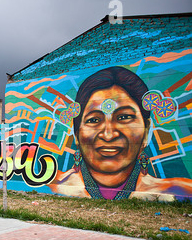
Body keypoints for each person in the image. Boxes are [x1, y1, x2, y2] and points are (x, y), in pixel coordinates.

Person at [48, 66, 192, 201]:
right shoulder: (54, 187)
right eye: (94, 120)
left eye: (124, 117)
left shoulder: (178, 192)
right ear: (76, 132)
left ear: (146, 129)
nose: (108, 135)